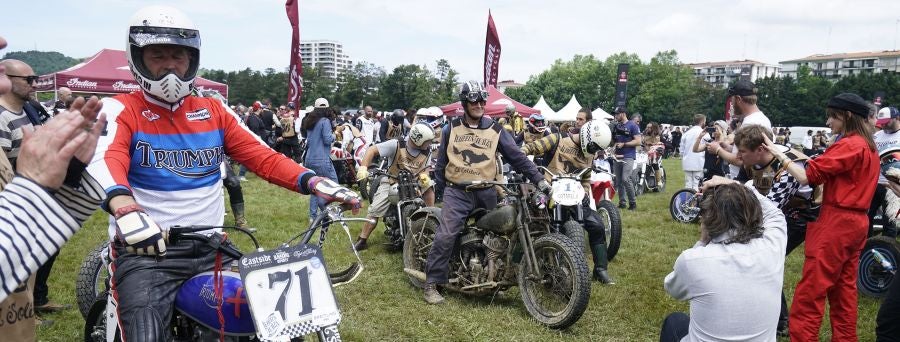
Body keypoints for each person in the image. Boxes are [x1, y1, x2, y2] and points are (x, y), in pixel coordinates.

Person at [86, 7, 360, 340]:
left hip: (212, 245)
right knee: (146, 334)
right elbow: (106, 157)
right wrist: (125, 208)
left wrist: (314, 181)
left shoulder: (214, 110)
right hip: (147, 252)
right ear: (137, 59)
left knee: (266, 320)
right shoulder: (120, 109)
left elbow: (262, 156)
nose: (170, 65)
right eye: (157, 56)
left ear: (193, 60)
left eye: (179, 56)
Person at [763, 93, 879, 341]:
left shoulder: (851, 144)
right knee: (844, 292)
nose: (828, 122)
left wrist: (779, 153)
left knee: (811, 293)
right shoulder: (868, 146)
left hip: (836, 223)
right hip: (857, 223)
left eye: (832, 117)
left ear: (847, 116)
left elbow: (807, 177)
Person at [423, 80, 550, 304]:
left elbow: (517, 157)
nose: (480, 103)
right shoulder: (449, 128)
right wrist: (445, 190)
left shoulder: (495, 129)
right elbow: (441, 163)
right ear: (464, 102)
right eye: (474, 99)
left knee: (499, 232)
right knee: (447, 234)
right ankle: (432, 282)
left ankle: (492, 274)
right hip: (458, 192)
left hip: (487, 191)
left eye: (482, 99)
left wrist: (539, 179)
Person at [661, 179, 787, 342]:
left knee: (675, 321)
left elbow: (672, 288)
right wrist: (734, 183)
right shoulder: (773, 246)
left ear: (706, 220)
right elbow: (775, 213)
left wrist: (701, 242)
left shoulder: (692, 261)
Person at [732, 124, 821, 335]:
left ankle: (781, 321)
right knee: (758, 256)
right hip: (782, 213)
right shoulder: (757, 160)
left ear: (760, 149)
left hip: (803, 217)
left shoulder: (786, 166)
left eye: (743, 151)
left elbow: (770, 206)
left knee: (764, 259)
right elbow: (752, 190)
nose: (738, 156)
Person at [521, 119, 615, 284]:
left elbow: (586, 176)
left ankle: (601, 269)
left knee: (597, 225)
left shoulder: (590, 153)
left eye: (597, 149)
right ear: (587, 137)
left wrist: (586, 191)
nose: (594, 151)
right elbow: (532, 147)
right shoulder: (557, 138)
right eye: (594, 147)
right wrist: (523, 154)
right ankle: (521, 263)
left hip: (574, 195)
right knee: (530, 220)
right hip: (549, 191)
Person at [352, 123, 436, 251]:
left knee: (429, 186)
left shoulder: (427, 151)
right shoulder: (396, 144)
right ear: (419, 138)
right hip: (392, 180)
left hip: (414, 181)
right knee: (375, 209)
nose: (429, 144)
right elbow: (371, 150)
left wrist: (425, 176)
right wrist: (363, 168)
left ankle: (430, 217)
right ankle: (362, 239)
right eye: (427, 141)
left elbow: (426, 169)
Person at [300, 98, 345, 219]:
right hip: (322, 159)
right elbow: (327, 139)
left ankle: (313, 217)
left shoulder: (310, 121)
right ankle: (328, 212)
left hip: (309, 159)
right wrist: (335, 133)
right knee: (334, 186)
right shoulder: (325, 121)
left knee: (315, 188)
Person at [0, 59, 37, 166]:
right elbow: (4, 175)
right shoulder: (2, 118)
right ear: (5, 79)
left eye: (35, 79)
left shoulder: (24, 110)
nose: (35, 84)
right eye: (29, 79)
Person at [871, 107, 900, 238]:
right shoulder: (876, 136)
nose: (883, 124)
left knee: (889, 221)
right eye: (881, 121)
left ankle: (887, 250)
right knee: (866, 216)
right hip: (875, 183)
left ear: (896, 118)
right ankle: (864, 250)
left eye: (887, 121)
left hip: (894, 185)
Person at [612, 107, 641, 210]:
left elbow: (638, 141)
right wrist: (613, 147)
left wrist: (624, 144)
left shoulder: (633, 125)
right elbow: (615, 140)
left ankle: (633, 203)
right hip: (617, 156)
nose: (615, 116)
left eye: (617, 114)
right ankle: (622, 203)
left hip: (628, 156)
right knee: (619, 181)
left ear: (623, 114)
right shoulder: (617, 126)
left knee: (625, 179)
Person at [681, 115, 706, 190]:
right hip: (699, 160)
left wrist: (683, 157)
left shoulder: (686, 133)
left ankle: (687, 200)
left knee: (688, 184)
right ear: (702, 122)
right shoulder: (704, 133)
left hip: (687, 160)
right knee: (696, 184)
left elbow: (681, 149)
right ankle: (695, 201)